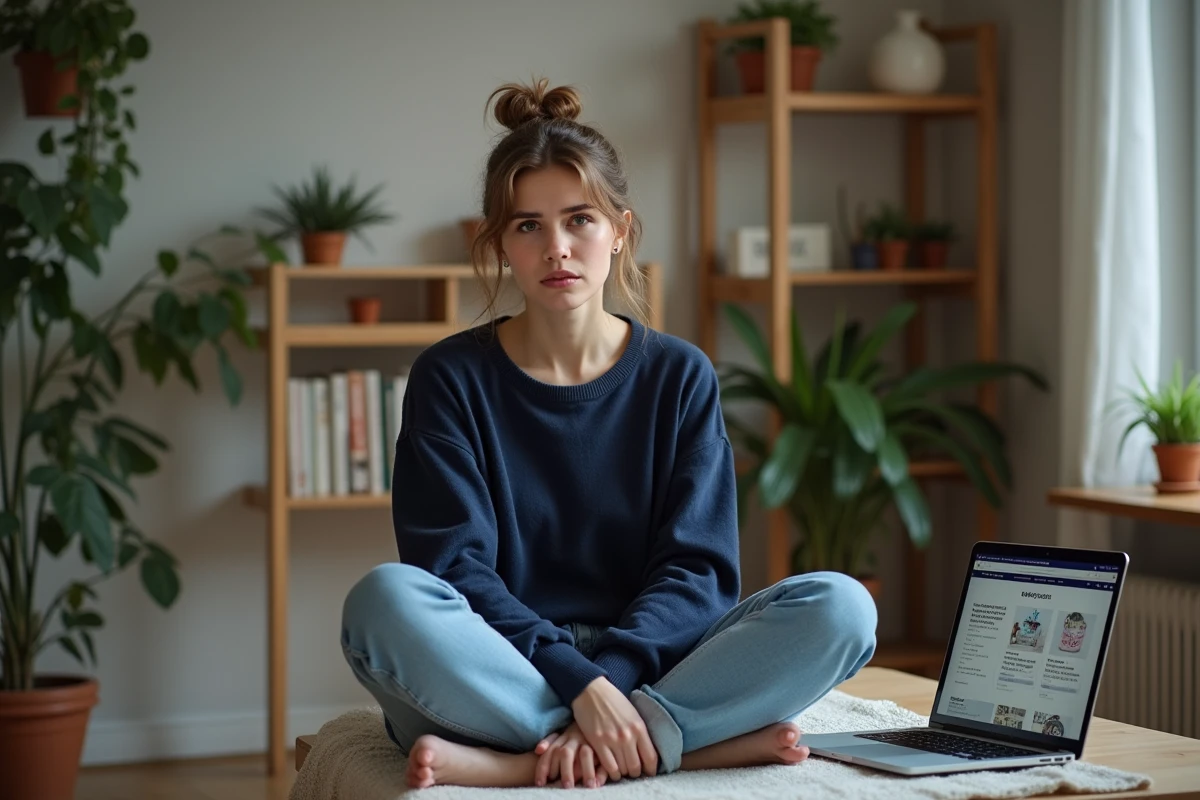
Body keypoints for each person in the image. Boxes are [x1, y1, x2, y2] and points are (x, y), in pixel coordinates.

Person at [340, 78, 877, 791]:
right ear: (498, 243)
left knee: (843, 607)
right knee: (382, 601)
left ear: (620, 230)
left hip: (657, 662)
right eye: (528, 226)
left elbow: (698, 570)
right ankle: (674, 743)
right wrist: (579, 684)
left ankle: (523, 762)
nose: (556, 248)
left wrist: (612, 678)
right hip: (502, 666)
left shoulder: (679, 374)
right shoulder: (450, 377)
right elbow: (455, 568)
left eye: (580, 220)